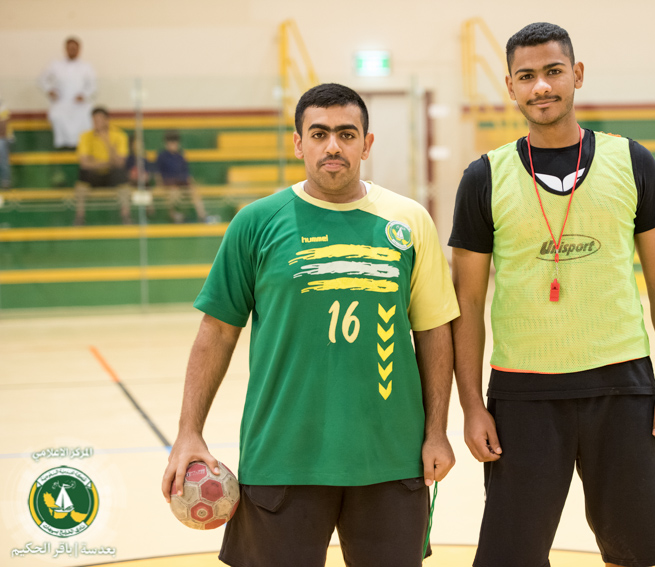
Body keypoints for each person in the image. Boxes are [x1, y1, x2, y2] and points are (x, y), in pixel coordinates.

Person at [161, 83, 459, 567]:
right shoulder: (255, 223)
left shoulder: (410, 221)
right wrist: (188, 431)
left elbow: (433, 332)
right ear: (299, 143)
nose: (333, 146)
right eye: (319, 134)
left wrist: (437, 432)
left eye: (347, 134)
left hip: (390, 461)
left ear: (367, 143)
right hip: (281, 459)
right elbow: (216, 331)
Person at [450, 22, 655, 567]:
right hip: (523, 394)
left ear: (576, 74)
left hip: (622, 386)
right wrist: (471, 406)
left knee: (635, 554)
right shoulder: (484, 177)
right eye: (526, 76)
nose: (541, 86)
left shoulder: (632, 161)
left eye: (553, 71)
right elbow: (467, 304)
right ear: (510, 86)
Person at [74, 106, 131, 225]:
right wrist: (107, 163)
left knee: (123, 179)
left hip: (112, 174)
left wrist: (107, 142)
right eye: (94, 120)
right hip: (93, 175)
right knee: (81, 182)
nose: (97, 123)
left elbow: (120, 163)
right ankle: (80, 218)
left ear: (106, 120)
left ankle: (125, 216)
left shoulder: (119, 136)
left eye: (99, 120)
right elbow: (84, 164)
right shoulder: (85, 136)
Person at [38, 37, 96, 150]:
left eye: (75, 48)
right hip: (61, 101)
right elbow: (42, 79)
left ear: (79, 50)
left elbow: (93, 85)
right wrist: (49, 90)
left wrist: (84, 95)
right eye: (70, 48)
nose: (72, 50)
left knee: (86, 115)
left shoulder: (86, 66)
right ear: (65, 49)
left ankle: (82, 145)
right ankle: (62, 145)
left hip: (79, 103)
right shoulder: (55, 65)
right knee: (56, 115)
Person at [155, 131, 207, 223]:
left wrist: (191, 182)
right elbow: (158, 174)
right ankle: (174, 215)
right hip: (169, 184)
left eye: (175, 142)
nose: (173, 145)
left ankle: (202, 215)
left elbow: (186, 172)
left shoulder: (181, 155)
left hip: (182, 182)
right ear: (166, 143)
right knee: (174, 193)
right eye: (171, 142)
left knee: (194, 191)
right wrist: (160, 185)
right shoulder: (162, 156)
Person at [0, 96, 12, 189]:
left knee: (2, 159)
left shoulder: (3, 108)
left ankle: (6, 182)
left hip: (3, 138)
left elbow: (3, 128)